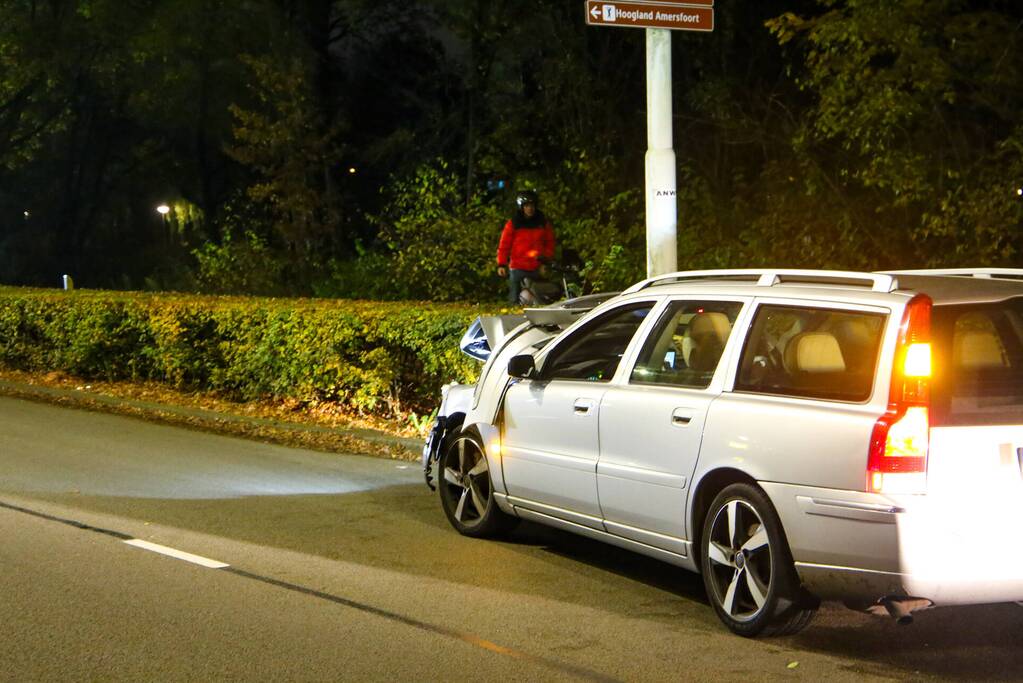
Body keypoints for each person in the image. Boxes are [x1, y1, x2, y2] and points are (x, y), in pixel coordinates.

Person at [496, 190, 556, 304]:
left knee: (542, 298)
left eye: (532, 205)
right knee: (514, 298)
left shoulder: (542, 223)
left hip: (537, 266)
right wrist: (501, 264)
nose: (530, 209)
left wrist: (546, 261)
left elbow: (550, 243)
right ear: (522, 207)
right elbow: (504, 245)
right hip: (518, 266)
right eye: (527, 206)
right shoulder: (513, 223)